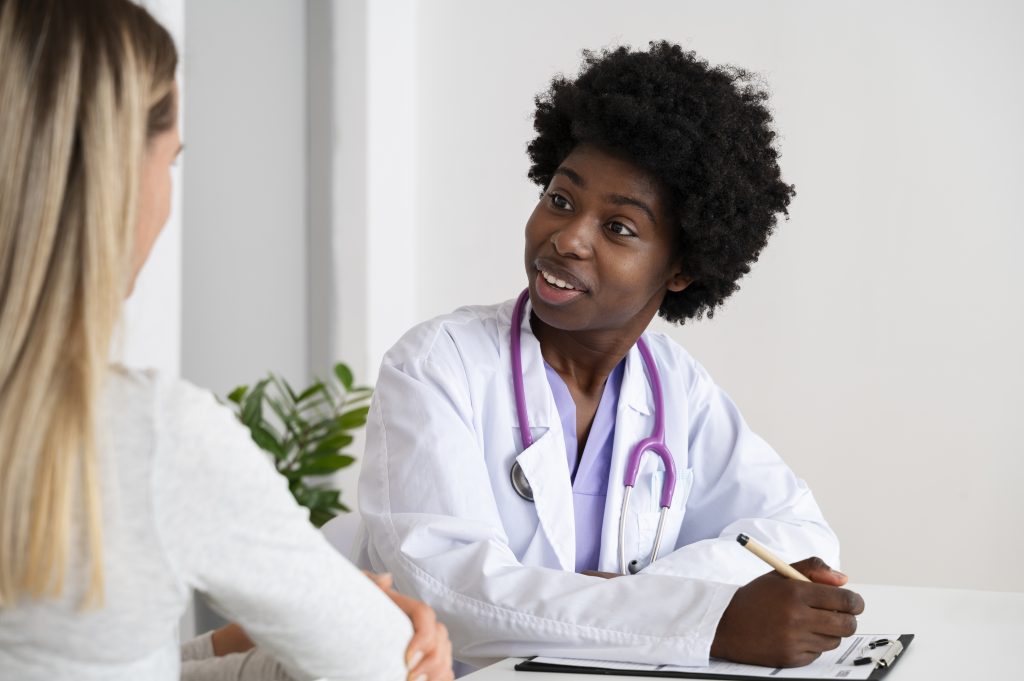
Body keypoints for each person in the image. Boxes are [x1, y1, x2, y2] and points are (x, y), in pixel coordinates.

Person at [356, 41, 864, 671]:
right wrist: (702, 618)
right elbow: (448, 597)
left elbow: (802, 536)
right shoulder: (439, 366)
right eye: (561, 199)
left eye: (619, 228)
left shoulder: (675, 388)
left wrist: (626, 599)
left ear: (681, 268)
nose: (566, 238)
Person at [0, 2, 451, 680]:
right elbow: (390, 665)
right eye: (171, 161)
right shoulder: (147, 435)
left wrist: (218, 651)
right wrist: (391, 641)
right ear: (117, 175)